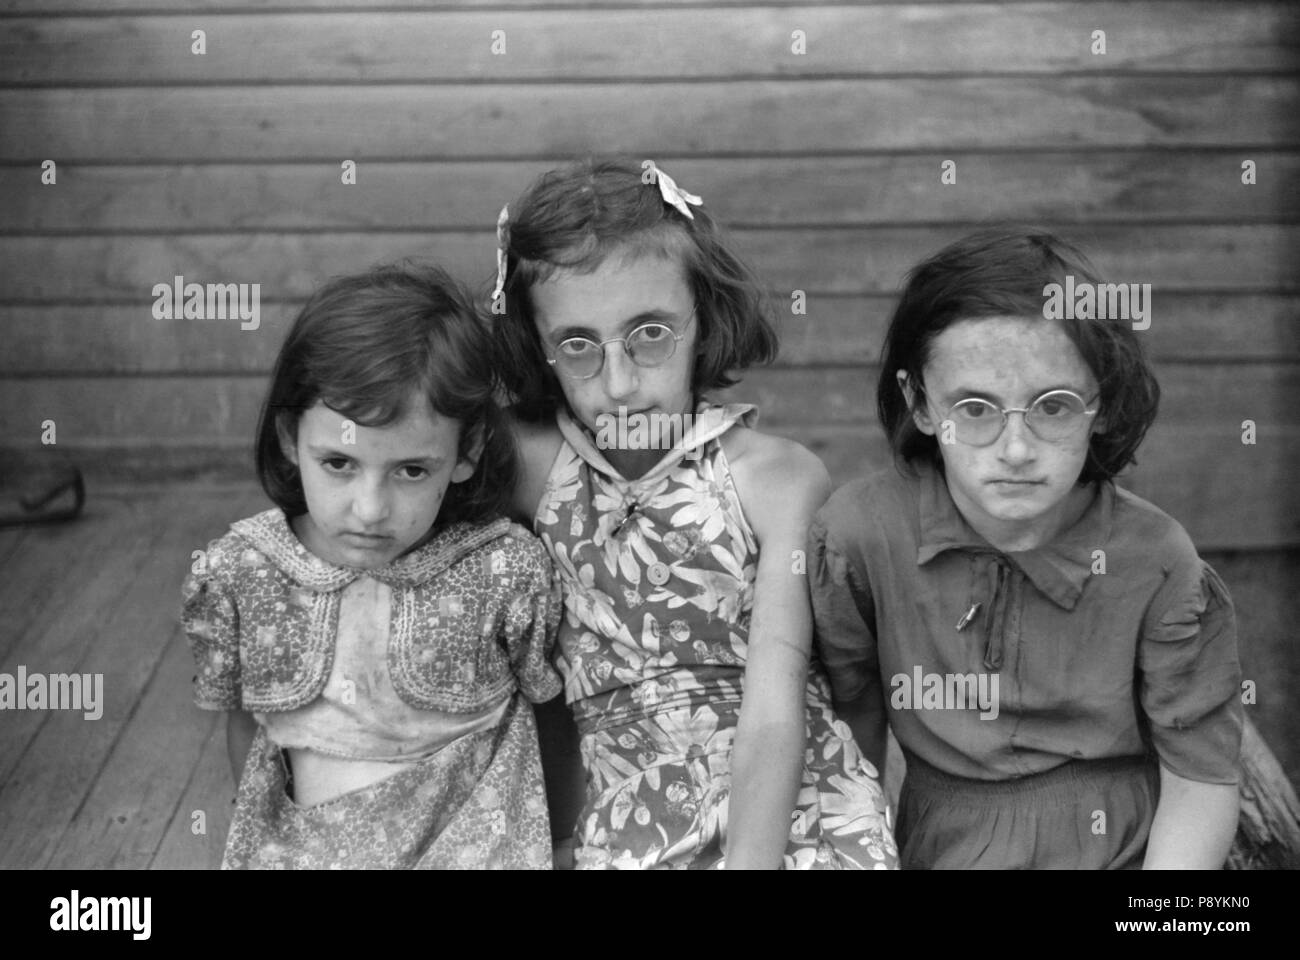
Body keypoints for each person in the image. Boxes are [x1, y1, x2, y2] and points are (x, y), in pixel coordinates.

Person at [492, 157, 897, 869]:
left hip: (793, 821)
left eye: (650, 334)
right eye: (578, 345)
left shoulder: (775, 480)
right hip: (626, 833)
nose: (620, 385)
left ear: (704, 321)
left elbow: (775, 710)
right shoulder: (534, 470)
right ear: (538, 348)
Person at [809, 228, 1242, 869]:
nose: (1016, 449)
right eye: (975, 408)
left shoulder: (1156, 561)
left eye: (1054, 406)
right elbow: (851, 731)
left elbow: (1200, 778)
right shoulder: (861, 537)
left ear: (1102, 404)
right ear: (919, 404)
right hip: (937, 849)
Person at [181, 263, 562, 869]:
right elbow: (247, 736)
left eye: (411, 470)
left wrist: (562, 845)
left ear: (465, 453)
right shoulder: (245, 573)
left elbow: (550, 714)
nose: (370, 509)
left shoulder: (502, 573)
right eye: (338, 463)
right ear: (288, 438)